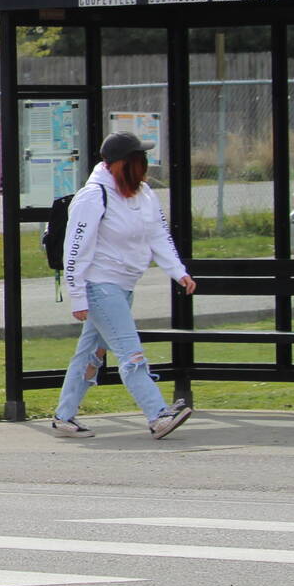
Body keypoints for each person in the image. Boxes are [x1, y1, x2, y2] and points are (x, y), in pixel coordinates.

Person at [51, 131, 199, 440]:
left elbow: (159, 234)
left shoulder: (143, 193)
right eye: (140, 159)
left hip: (124, 286)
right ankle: (158, 415)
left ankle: (63, 417)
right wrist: (77, 296)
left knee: (90, 353)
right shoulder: (92, 196)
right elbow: (75, 249)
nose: (146, 164)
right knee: (130, 353)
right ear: (122, 164)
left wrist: (178, 271)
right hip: (100, 286)